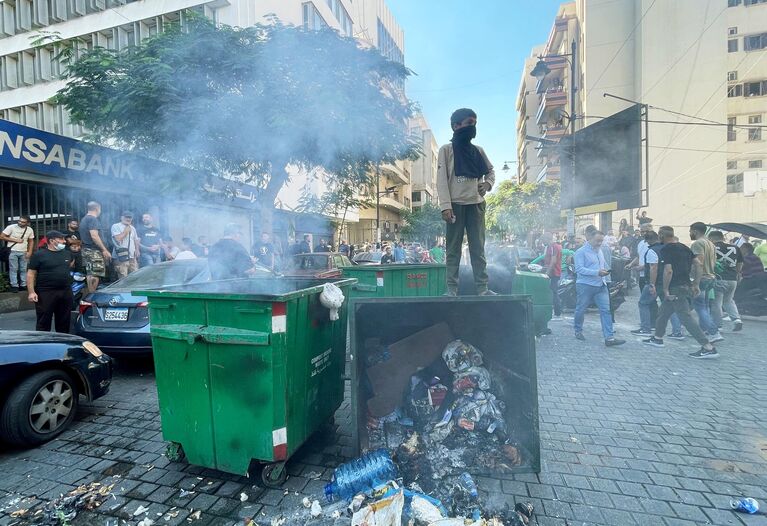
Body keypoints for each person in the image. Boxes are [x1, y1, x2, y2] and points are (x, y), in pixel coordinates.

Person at [437, 108, 496, 296]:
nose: (473, 127)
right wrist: (445, 206)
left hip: (476, 205)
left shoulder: (478, 151)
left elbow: (491, 171)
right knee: (452, 249)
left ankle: (482, 288)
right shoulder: (446, 150)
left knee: (478, 249)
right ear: (456, 126)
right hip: (455, 206)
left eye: (474, 123)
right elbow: (441, 180)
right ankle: (452, 289)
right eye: (469, 123)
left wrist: (487, 184)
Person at [643, 227, 719, 358]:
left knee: (685, 316)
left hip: (675, 288)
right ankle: (658, 337)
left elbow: (668, 270)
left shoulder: (666, 249)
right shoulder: (684, 247)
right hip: (685, 285)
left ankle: (708, 346)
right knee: (664, 312)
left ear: (661, 235)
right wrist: (695, 283)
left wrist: (666, 289)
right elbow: (699, 264)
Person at [573, 230, 625, 347]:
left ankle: (609, 338)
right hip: (585, 285)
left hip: (601, 285)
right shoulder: (580, 252)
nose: (599, 243)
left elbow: (602, 265)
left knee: (605, 311)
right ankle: (578, 330)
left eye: (601, 240)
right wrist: (596, 272)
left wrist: (606, 273)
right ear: (589, 238)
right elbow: (579, 269)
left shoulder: (600, 251)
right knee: (581, 309)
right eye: (597, 240)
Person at [630, 231, 684, 338]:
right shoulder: (667, 249)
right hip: (667, 282)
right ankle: (677, 332)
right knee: (671, 306)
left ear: (648, 240)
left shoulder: (652, 251)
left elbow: (653, 268)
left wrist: (652, 284)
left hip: (655, 283)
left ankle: (645, 328)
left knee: (643, 303)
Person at [26, 231, 73, 333]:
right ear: (52, 241)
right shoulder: (39, 255)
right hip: (45, 292)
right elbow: (30, 274)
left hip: (65, 291)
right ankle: (43, 345)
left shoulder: (67, 254)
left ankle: (62, 344)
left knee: (64, 321)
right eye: (61, 239)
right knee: (44, 320)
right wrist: (31, 292)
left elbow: (68, 267)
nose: (64, 241)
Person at [689, 222, 722, 343]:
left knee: (700, 307)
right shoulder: (710, 244)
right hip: (710, 277)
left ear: (695, 231)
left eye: (690, 231)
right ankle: (704, 330)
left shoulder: (698, 243)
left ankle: (714, 332)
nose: (689, 233)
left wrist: (695, 283)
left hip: (701, 278)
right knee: (705, 306)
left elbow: (699, 263)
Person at [707, 230, 743, 332]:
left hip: (719, 278)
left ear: (712, 238)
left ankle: (718, 325)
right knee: (729, 300)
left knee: (716, 302)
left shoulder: (712, 248)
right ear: (722, 238)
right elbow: (740, 263)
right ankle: (737, 320)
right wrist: (737, 273)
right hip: (732, 279)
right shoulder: (735, 248)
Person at [79, 201, 111, 293]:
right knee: (95, 274)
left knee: (91, 273)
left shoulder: (84, 219)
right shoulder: (92, 219)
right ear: (97, 209)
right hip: (94, 251)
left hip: (86, 250)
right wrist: (104, 249)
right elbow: (94, 236)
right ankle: (92, 297)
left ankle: (90, 295)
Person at [1, 215, 35, 292]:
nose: (20, 222)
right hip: (12, 251)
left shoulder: (29, 229)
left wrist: (30, 252)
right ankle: (14, 286)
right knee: (13, 269)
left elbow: (31, 241)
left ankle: (23, 285)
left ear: (27, 223)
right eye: (19, 221)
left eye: (23, 222)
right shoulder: (11, 227)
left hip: (24, 252)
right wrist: (15, 240)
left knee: (23, 269)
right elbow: (2, 236)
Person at [110, 211, 140, 279]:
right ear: (121, 217)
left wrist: (137, 250)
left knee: (135, 277)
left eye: (130, 217)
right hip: (121, 257)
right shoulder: (115, 226)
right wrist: (126, 231)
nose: (128, 219)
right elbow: (118, 239)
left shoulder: (133, 228)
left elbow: (136, 240)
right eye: (126, 217)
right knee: (123, 278)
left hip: (132, 257)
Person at [541, 232, 563, 321]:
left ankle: (557, 311)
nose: (542, 242)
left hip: (553, 273)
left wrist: (547, 273)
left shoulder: (554, 247)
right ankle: (556, 311)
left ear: (547, 239)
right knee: (553, 291)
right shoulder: (551, 247)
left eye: (543, 240)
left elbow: (553, 261)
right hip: (553, 272)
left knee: (553, 292)